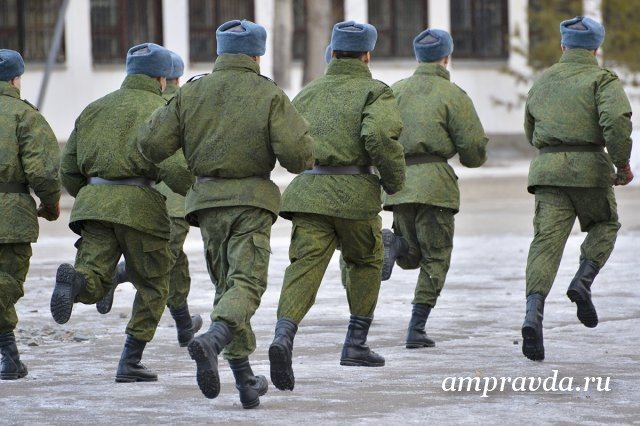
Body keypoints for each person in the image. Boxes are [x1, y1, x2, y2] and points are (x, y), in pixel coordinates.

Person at [135, 20, 314, 408]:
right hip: (251, 202)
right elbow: (299, 158)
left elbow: (149, 144)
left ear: (220, 52)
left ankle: (246, 381)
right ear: (257, 54)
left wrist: (191, 167)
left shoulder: (192, 92)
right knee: (246, 285)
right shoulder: (268, 94)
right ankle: (213, 341)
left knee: (228, 288)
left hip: (207, 204)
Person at [268, 20, 405, 392]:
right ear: (366, 54)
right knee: (365, 261)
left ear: (332, 51)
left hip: (309, 194)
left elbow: (288, 143)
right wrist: (394, 182)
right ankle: (355, 343)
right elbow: (378, 136)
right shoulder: (375, 92)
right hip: (355, 196)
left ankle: (283, 336)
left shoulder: (308, 93)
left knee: (304, 268)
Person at [52, 43, 193, 382]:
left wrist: (92, 196)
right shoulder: (163, 110)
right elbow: (176, 171)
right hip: (140, 208)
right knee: (154, 285)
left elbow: (68, 171)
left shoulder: (94, 109)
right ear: (162, 78)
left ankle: (76, 285)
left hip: (94, 205)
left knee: (94, 276)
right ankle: (130, 362)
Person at [521, 16, 633, 361]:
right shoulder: (602, 80)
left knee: (545, 244)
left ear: (562, 46)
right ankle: (582, 281)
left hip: (548, 170)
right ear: (596, 49)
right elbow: (615, 122)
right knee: (605, 224)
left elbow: (529, 129)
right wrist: (622, 164)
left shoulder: (542, 82)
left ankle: (532, 315)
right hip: (589, 171)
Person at [380, 29, 488, 348]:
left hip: (399, 184)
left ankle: (395, 244)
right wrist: (471, 155)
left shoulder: (395, 92)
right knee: (436, 256)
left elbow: (378, 135)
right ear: (447, 57)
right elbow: (473, 151)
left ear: (417, 57)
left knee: (411, 254)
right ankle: (416, 329)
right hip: (435, 187)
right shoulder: (452, 94)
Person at [95, 50, 203, 348]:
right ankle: (119, 274)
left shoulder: (130, 103)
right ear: (176, 78)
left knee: (174, 261)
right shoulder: (184, 104)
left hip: (143, 196)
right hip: (175, 201)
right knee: (160, 265)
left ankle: (184, 325)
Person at [0, 49, 61, 380]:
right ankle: (9, 358)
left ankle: (9, 356)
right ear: (15, 79)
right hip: (10, 218)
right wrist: (50, 205)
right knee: (6, 282)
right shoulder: (24, 116)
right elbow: (44, 172)